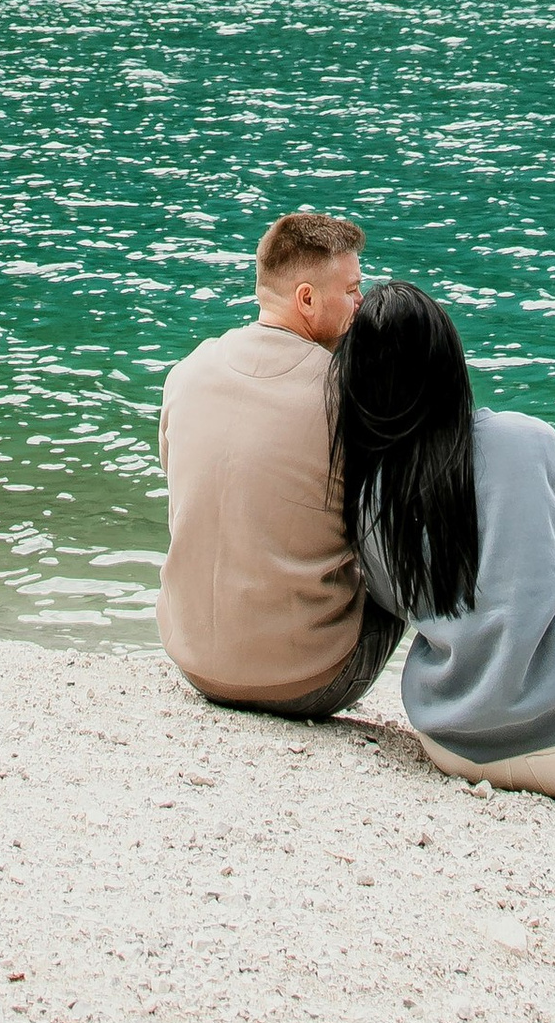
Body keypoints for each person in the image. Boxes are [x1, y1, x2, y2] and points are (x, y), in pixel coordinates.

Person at [331, 278, 555, 797]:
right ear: (449, 363)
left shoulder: (371, 495)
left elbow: (396, 603)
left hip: (452, 746)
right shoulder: (527, 438)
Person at [157, 208, 408, 720]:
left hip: (193, 661)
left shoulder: (188, 371)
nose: (363, 303)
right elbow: (383, 537)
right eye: (353, 290)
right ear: (307, 299)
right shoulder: (348, 392)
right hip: (307, 682)